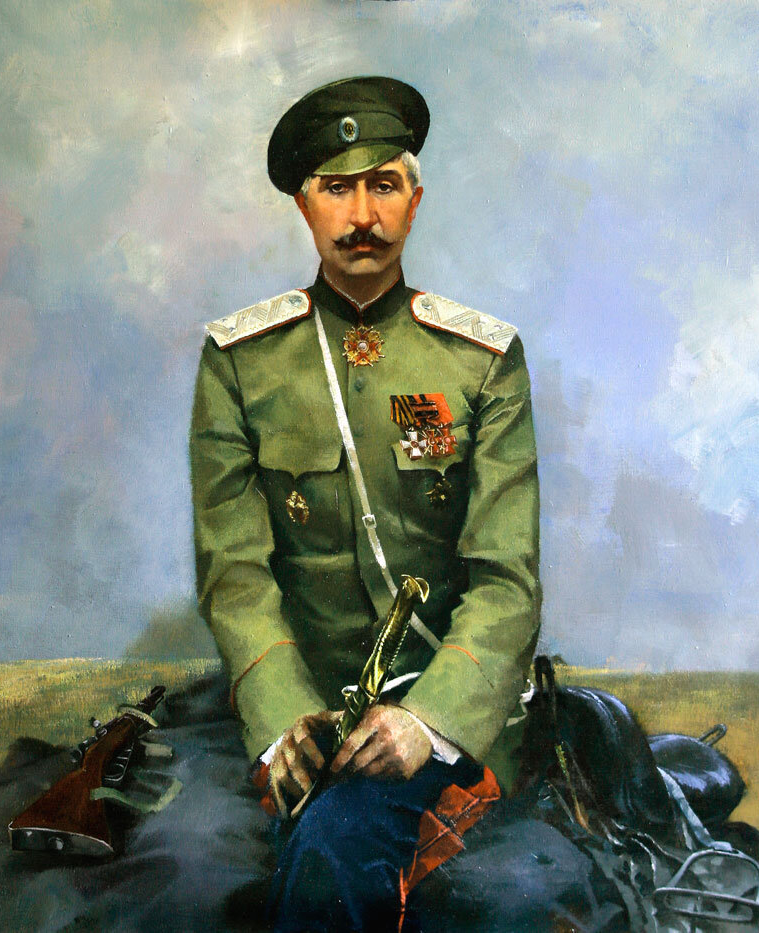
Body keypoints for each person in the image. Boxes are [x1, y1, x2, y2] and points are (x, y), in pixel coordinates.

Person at [189, 76, 609, 932]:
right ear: (303, 205)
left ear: (415, 202)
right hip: (308, 707)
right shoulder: (240, 361)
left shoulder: (482, 361)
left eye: (383, 185)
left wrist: (427, 721)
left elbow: (506, 582)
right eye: (336, 189)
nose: (362, 216)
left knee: (336, 846)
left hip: (441, 699)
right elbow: (234, 575)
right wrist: (281, 716)